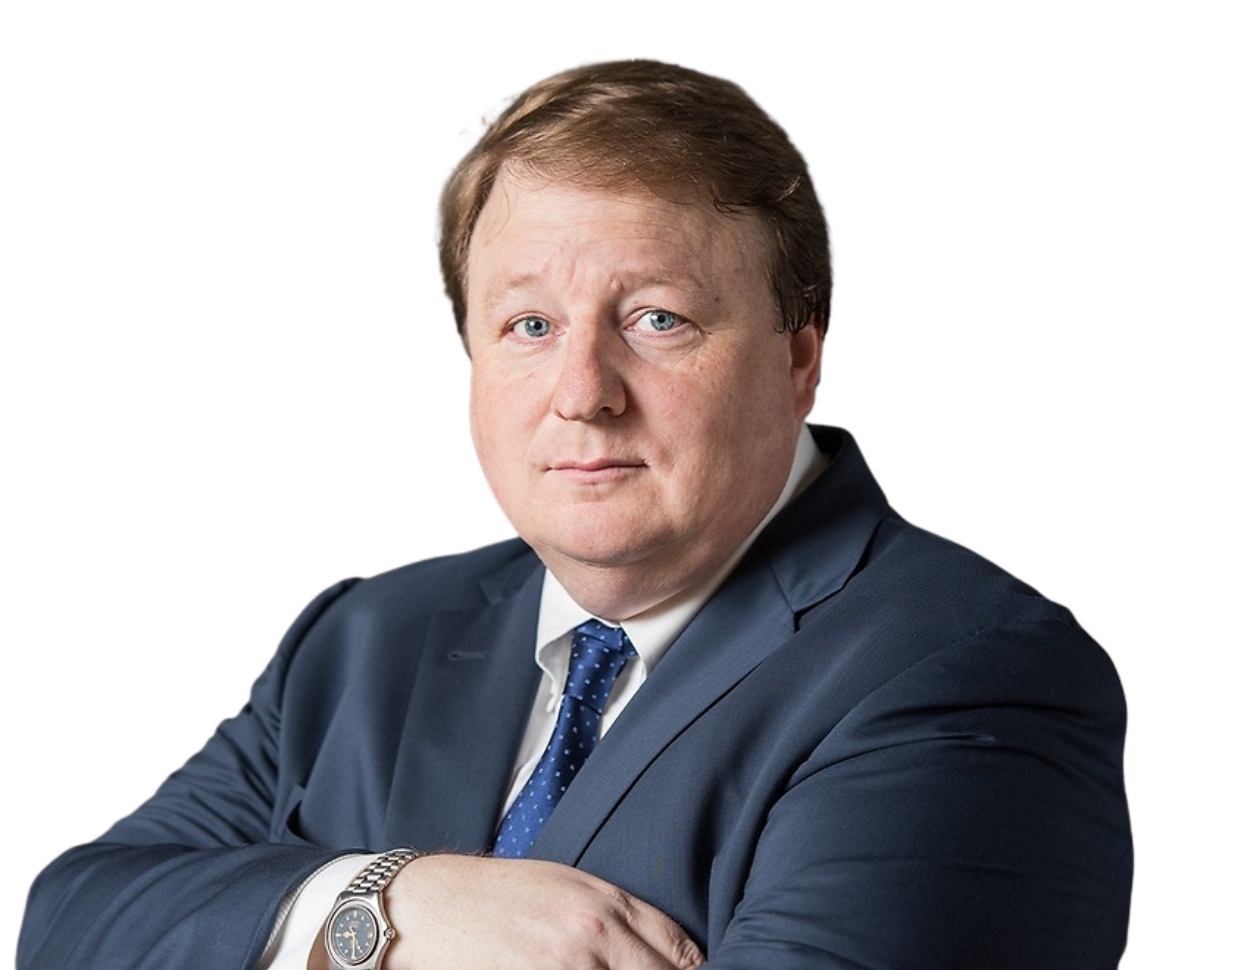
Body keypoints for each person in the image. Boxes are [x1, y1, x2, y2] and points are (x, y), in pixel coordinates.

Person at [17, 57, 1132, 969]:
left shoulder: (970, 667)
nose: (583, 391)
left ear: (799, 359)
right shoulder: (361, 639)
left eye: (655, 318)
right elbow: (69, 922)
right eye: (529, 326)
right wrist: (386, 905)